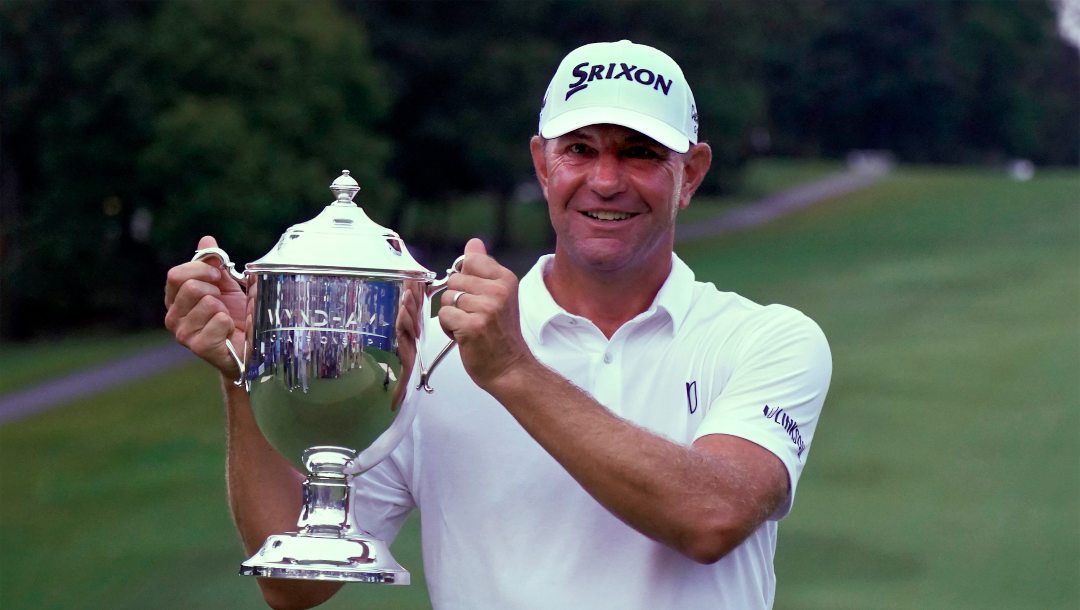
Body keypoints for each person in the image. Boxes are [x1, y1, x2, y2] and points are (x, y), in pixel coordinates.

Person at [164, 40, 831, 610]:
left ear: (691, 174)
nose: (605, 180)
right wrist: (245, 374)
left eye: (639, 153)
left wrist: (512, 369)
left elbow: (713, 516)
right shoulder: (429, 342)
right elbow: (292, 584)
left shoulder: (766, 339)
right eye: (580, 149)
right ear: (543, 164)